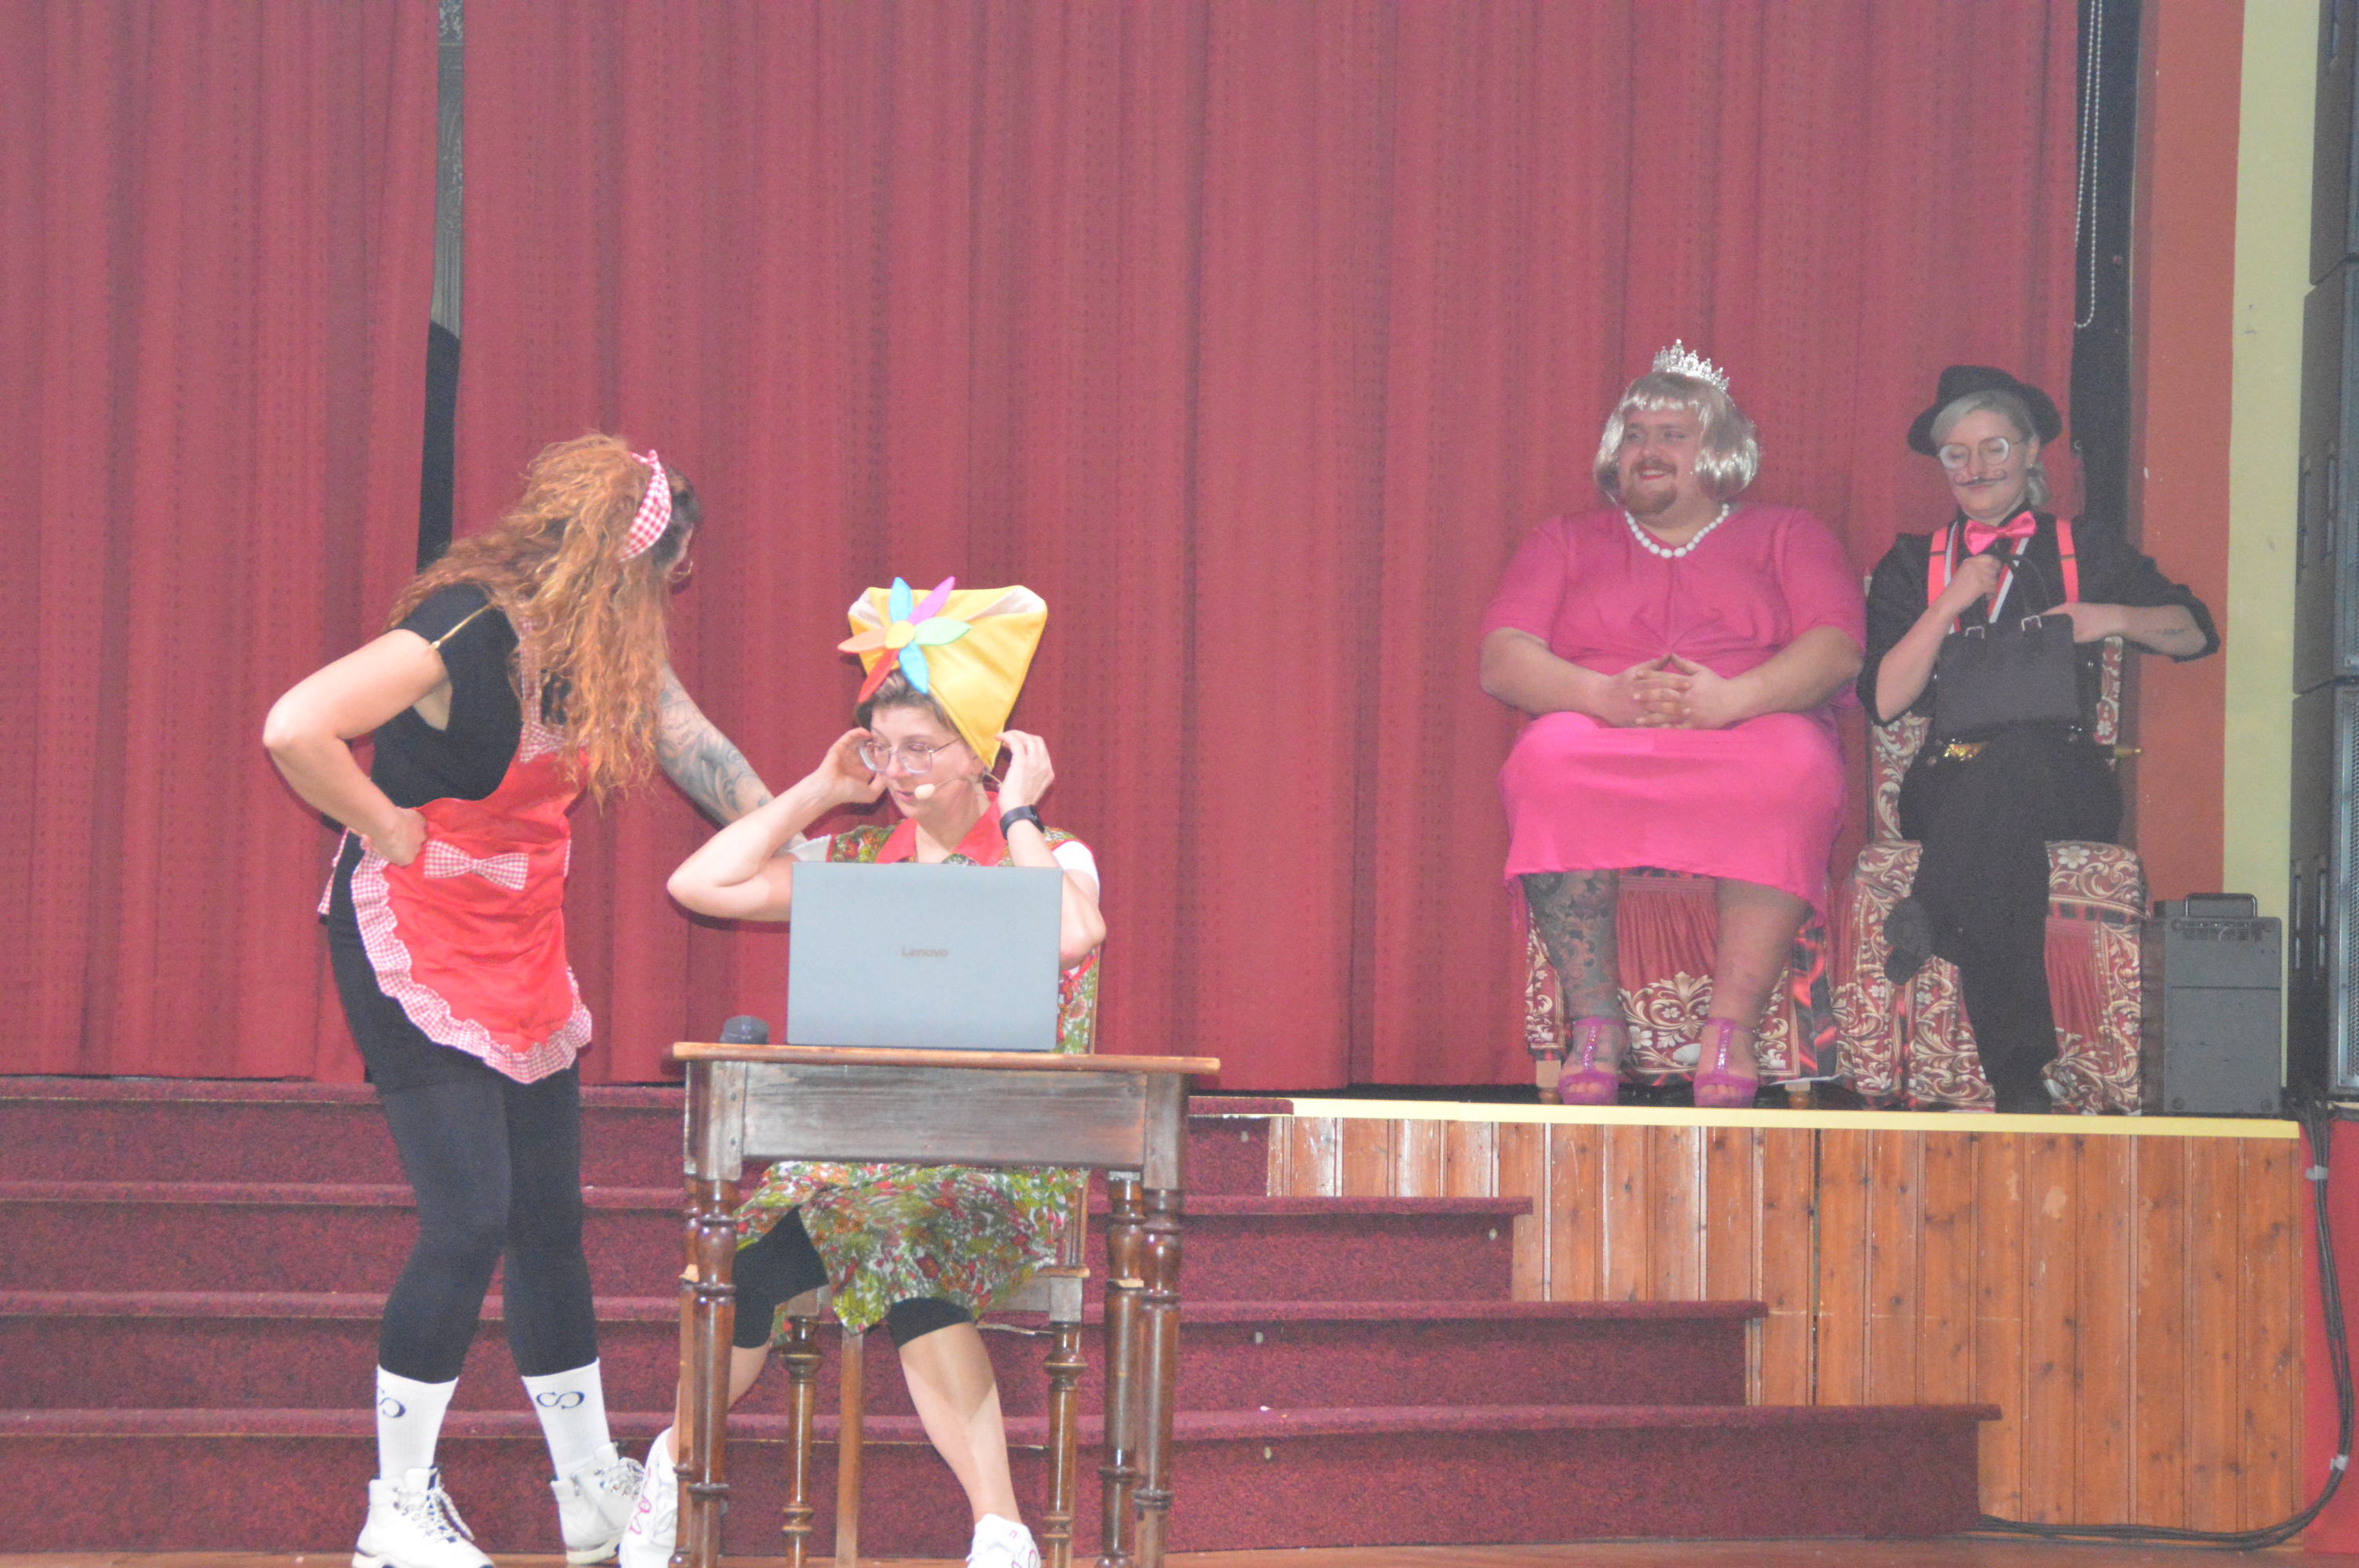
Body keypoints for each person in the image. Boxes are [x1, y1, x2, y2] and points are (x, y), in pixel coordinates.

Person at [263, 435, 776, 1568]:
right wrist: (384, 824)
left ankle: (588, 1487)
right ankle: (397, 1507)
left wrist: (803, 834)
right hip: (412, 934)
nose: (670, 600)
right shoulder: (466, 627)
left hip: (519, 940)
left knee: (549, 1222)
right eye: (669, 576)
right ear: (621, 563)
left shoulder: (604, 647)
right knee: (469, 1217)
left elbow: (698, 752)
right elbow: (296, 725)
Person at [626, 578, 1102, 1568]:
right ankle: (671, 1461)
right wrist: (817, 790)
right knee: (745, 1260)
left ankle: (1000, 1530)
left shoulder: (1047, 855)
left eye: (920, 750)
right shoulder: (856, 860)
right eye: (882, 749)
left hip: (1000, 1160)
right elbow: (697, 883)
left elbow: (1070, 934)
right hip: (861, 1160)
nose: (898, 773)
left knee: (904, 1237)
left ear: (980, 750)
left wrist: (1019, 810)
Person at [1478, 343, 1866, 1106]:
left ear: (1716, 448)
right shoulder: (1563, 540)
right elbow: (1501, 657)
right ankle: (1595, 1026)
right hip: (1601, 730)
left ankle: (1731, 1031)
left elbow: (1835, 648)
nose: (1647, 451)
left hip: (1750, 724)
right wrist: (1601, 696)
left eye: (1671, 435)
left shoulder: (1790, 532)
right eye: (1634, 436)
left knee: (1795, 766)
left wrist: (1733, 700)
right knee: (1544, 761)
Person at [1859, 365, 2216, 1112]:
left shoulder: (2085, 546)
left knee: (2018, 764)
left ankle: (1935, 906)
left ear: (2029, 453)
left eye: (1994, 447)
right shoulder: (1912, 562)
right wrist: (1948, 603)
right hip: (1948, 776)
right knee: (2000, 835)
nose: (1976, 468)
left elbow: (2194, 633)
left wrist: (2106, 617)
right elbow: (1885, 703)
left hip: (2067, 778)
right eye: (1957, 454)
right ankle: (2020, 1079)